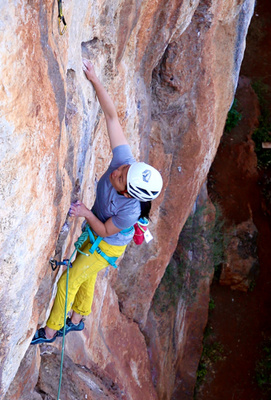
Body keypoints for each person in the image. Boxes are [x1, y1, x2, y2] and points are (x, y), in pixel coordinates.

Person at [31, 59, 163, 345]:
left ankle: (51, 332)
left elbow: (104, 231)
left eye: (121, 177)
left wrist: (84, 212)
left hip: (108, 244)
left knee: (71, 278)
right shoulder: (124, 162)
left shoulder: (129, 211)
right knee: (85, 273)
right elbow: (113, 118)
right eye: (124, 168)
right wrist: (95, 80)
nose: (117, 170)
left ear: (129, 193)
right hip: (100, 232)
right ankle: (78, 319)